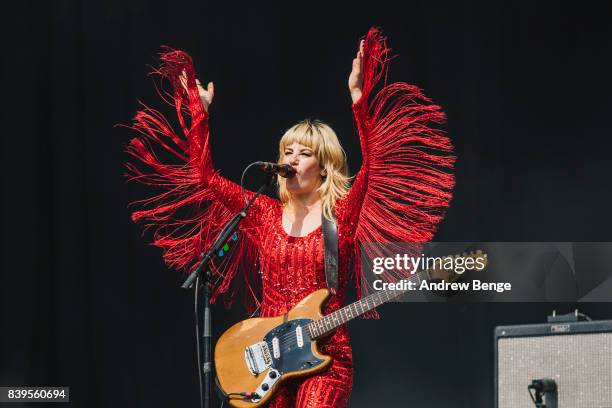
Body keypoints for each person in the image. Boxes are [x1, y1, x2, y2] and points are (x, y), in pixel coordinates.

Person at [126, 27, 455, 408]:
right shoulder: (263, 212)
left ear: (325, 167)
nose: (291, 159)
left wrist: (359, 101)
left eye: (303, 153)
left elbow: (376, 164)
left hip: (326, 360)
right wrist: (199, 115)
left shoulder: (341, 215)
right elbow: (205, 179)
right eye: (288, 150)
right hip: (267, 362)